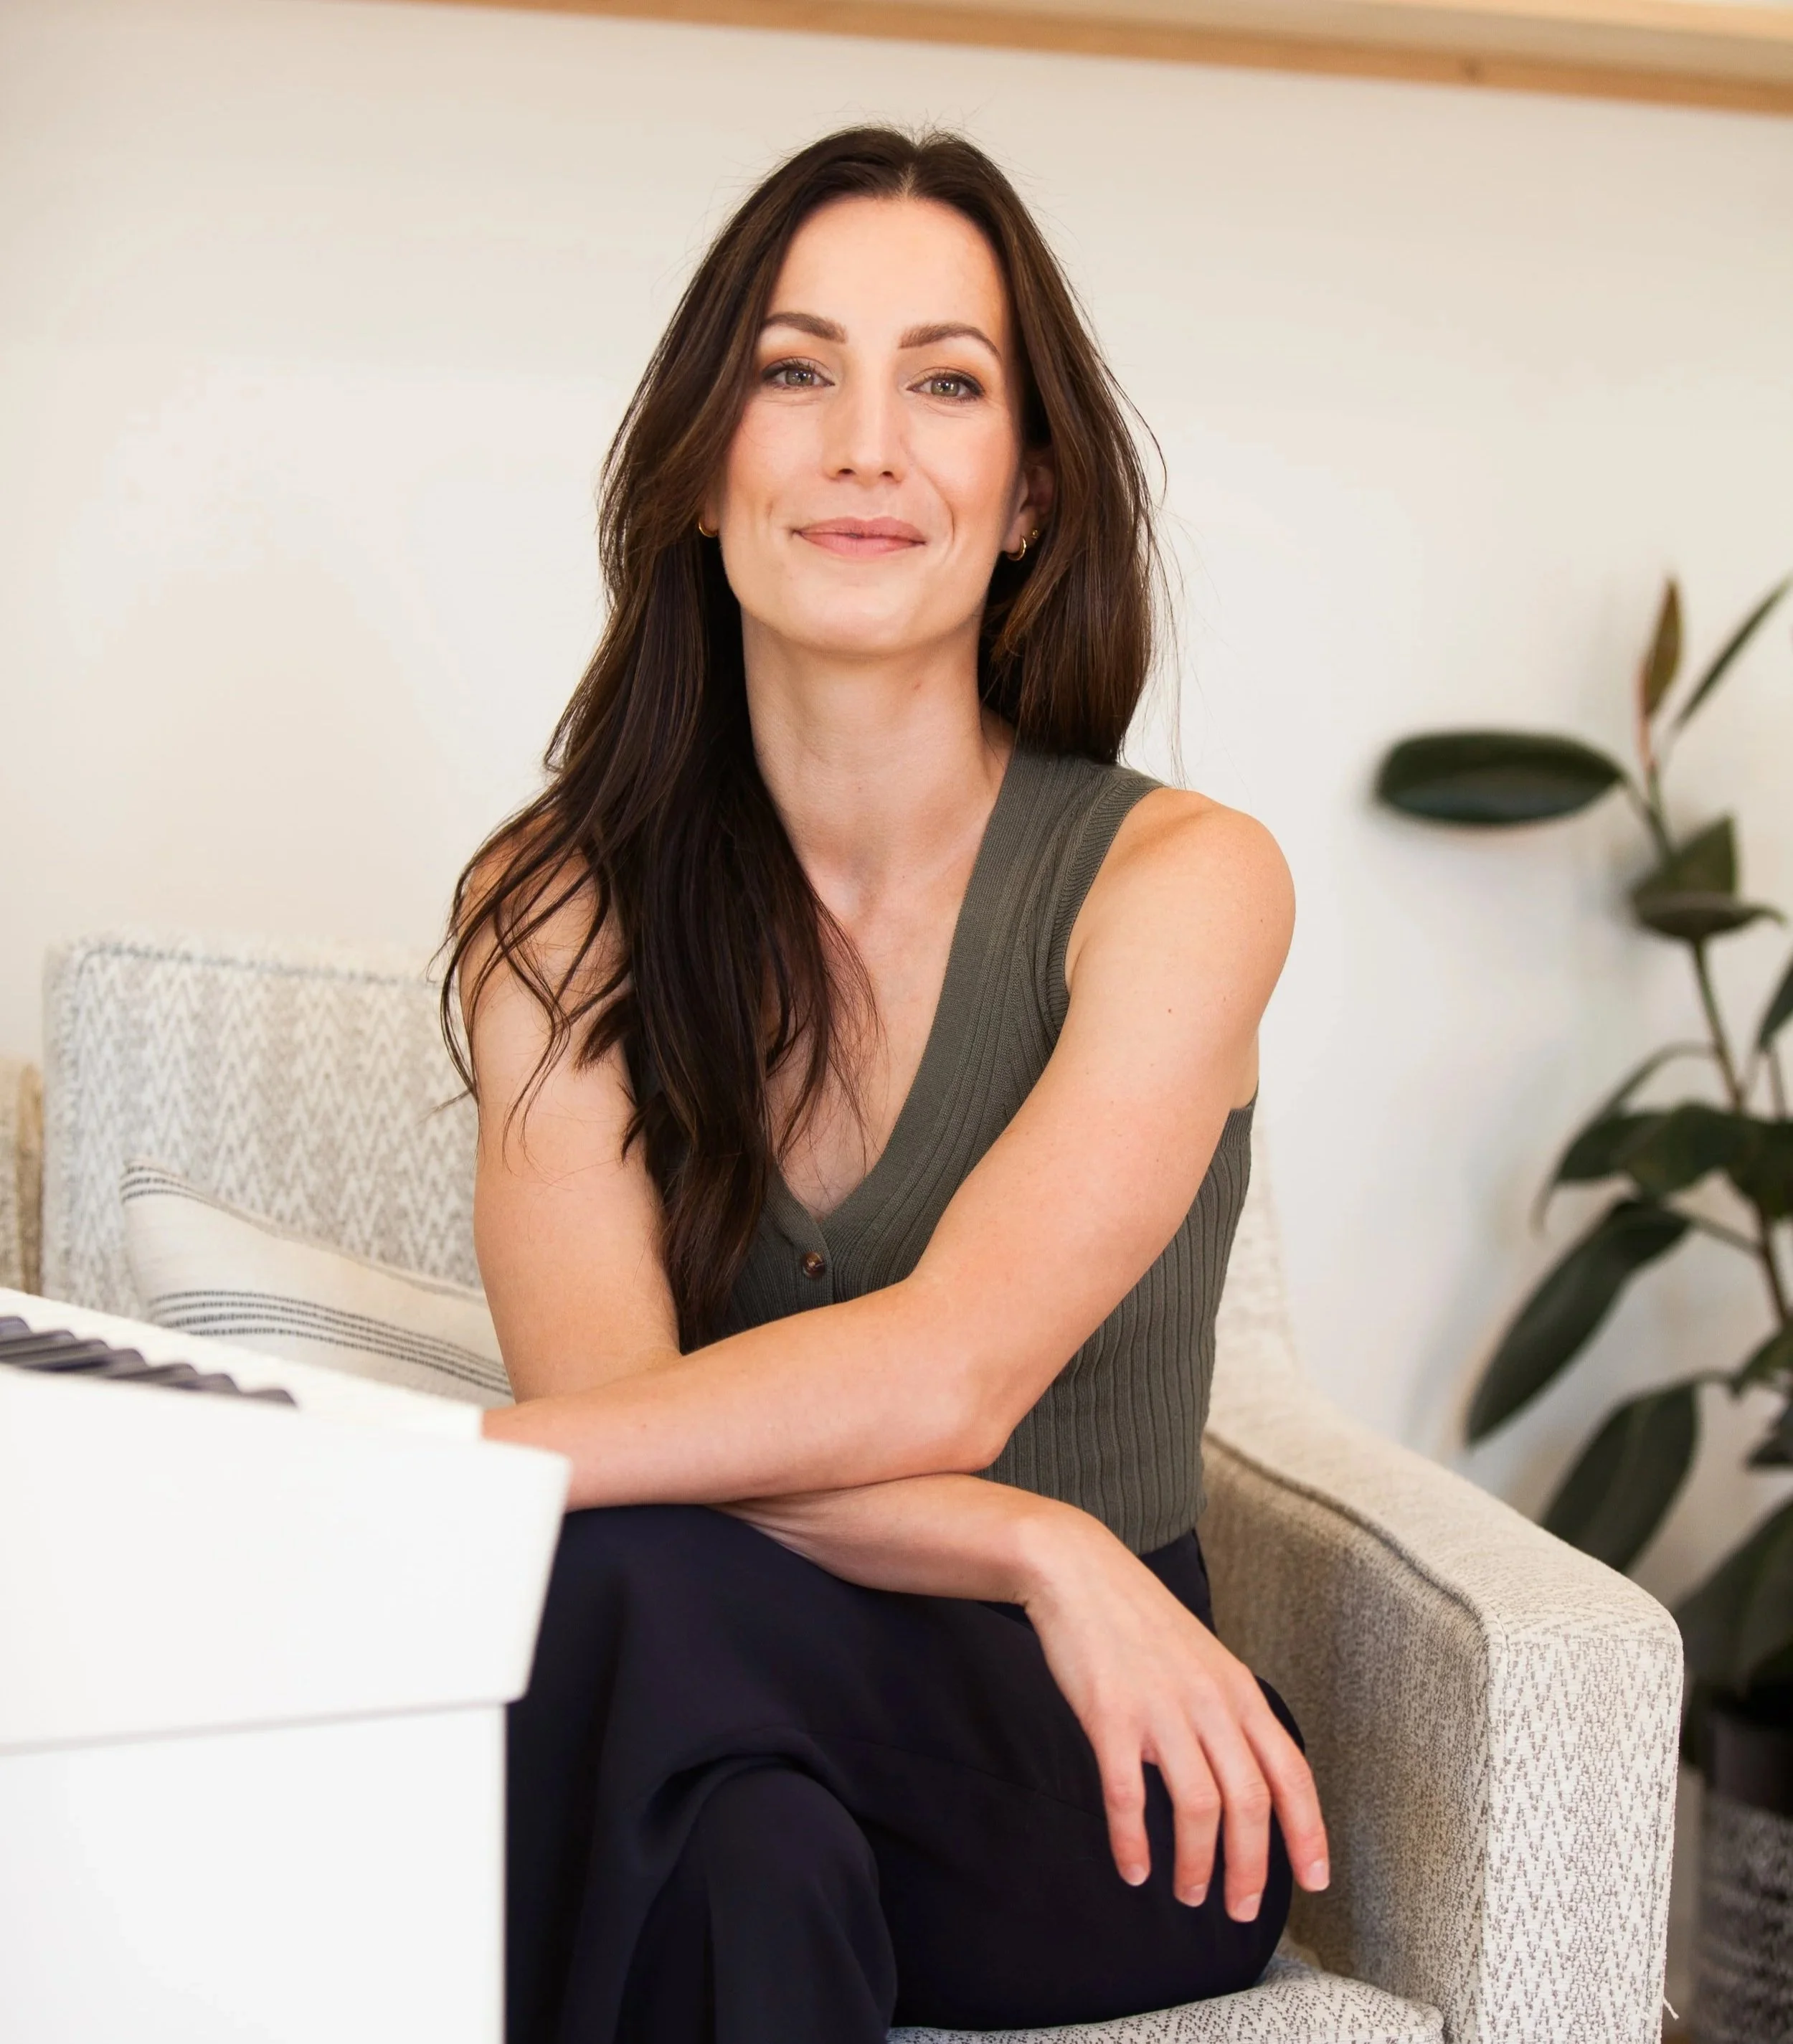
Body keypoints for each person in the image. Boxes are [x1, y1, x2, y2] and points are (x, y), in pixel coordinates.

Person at [443, 125, 1328, 2044]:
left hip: (1087, 1767)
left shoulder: (1179, 883)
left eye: (945, 382)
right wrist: (1033, 1538)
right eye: (791, 370)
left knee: (602, 1596)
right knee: (731, 1835)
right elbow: (619, 1431)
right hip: (756, 1690)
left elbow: (949, 1372)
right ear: (696, 468)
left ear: (1025, 498)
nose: (864, 443)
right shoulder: (553, 909)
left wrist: (371, 1480)